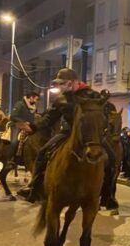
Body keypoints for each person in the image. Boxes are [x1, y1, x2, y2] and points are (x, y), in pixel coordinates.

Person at [17, 68, 109, 203]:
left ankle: (108, 194)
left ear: (72, 83)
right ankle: (33, 187)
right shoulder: (61, 99)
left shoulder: (92, 96)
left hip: (91, 136)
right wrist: (32, 127)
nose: (59, 86)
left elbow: (103, 114)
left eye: (62, 83)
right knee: (42, 153)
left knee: (111, 158)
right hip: (67, 132)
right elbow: (49, 118)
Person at [10, 91, 39, 161]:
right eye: (36, 99)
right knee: (14, 141)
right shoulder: (19, 104)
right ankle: (10, 159)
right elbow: (13, 116)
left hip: (28, 126)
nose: (36, 101)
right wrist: (23, 122)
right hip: (17, 125)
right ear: (31, 97)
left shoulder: (33, 108)